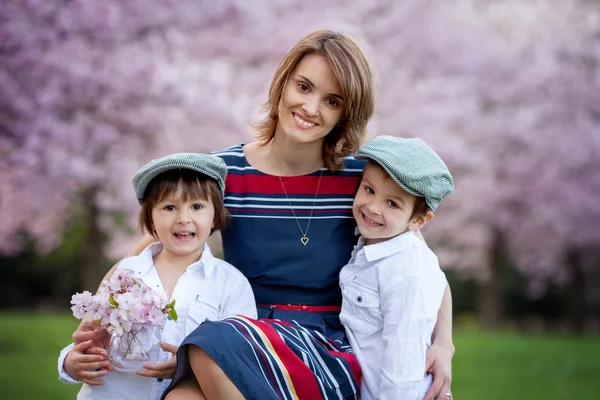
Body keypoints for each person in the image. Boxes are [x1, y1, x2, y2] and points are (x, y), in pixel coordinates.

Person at [61, 30, 455, 400]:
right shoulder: (224, 172)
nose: (310, 107)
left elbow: (417, 263)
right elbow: (154, 246)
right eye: (303, 87)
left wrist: (443, 342)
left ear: (345, 114)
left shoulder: (361, 182)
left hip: (325, 347)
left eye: (332, 101)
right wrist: (100, 316)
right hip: (238, 333)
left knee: (210, 345)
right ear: (283, 83)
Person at [57, 153, 257, 399]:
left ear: (214, 215)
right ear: (150, 218)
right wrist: (71, 362)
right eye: (169, 207)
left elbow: (240, 358)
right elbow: (88, 336)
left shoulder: (231, 284)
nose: (183, 218)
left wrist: (189, 367)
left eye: (197, 207)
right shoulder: (126, 274)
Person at [339, 136, 454, 399]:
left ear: (419, 220)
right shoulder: (374, 244)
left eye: (392, 203)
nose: (372, 207)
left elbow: (402, 364)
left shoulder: (406, 270)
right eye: (369, 189)